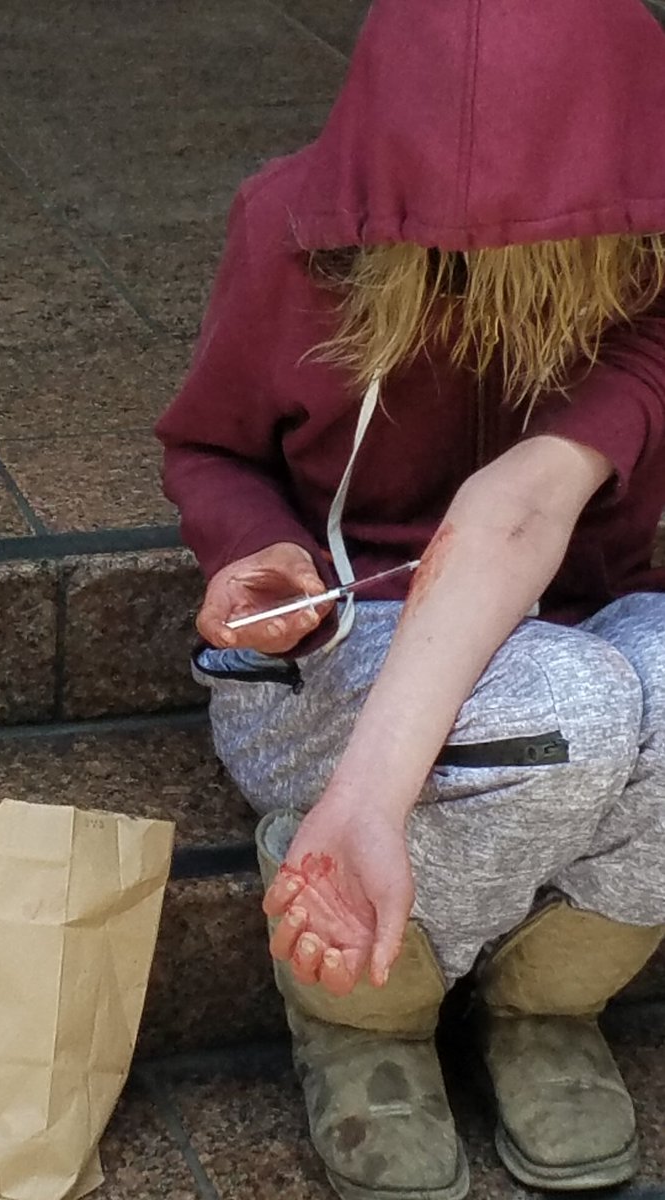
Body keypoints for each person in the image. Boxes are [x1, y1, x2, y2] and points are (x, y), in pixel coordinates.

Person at [156, 1, 665, 1196]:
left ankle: (546, 1003)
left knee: (591, 688)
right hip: (326, 662)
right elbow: (207, 448)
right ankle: (363, 1009)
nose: (490, 266)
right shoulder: (288, 232)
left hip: (561, 629)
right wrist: (255, 554)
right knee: (576, 703)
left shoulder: (648, 260)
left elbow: (518, 513)